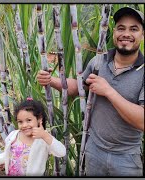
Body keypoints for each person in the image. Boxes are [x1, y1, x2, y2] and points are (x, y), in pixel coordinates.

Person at [37, 7, 144, 176]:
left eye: (134, 29)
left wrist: (109, 91)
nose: (126, 33)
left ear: (142, 35)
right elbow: (78, 87)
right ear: (114, 32)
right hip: (94, 150)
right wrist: (51, 81)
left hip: (126, 158)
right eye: (121, 28)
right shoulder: (98, 61)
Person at [0, 98, 66, 176]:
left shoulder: (43, 140)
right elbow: (9, 155)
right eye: (20, 122)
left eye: (29, 120)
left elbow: (61, 152)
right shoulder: (14, 136)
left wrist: (45, 135)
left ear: (39, 119)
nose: (24, 125)